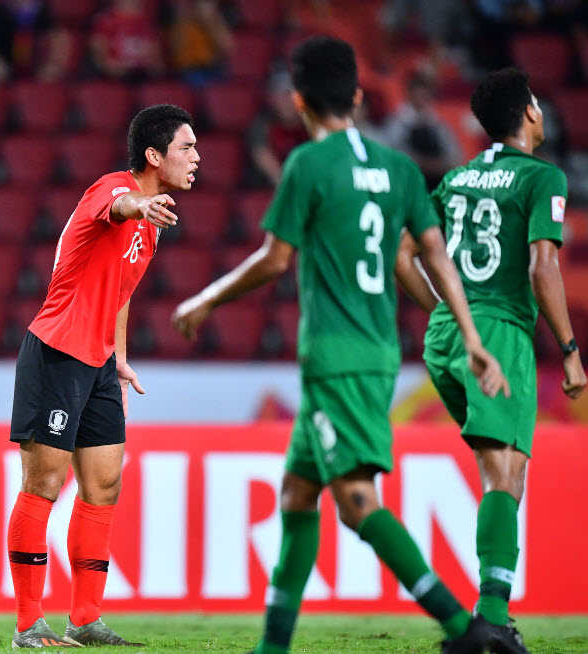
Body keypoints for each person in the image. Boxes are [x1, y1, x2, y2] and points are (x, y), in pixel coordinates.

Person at [171, 36, 509, 654]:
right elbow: (434, 254)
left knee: (356, 502)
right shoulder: (399, 168)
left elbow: (276, 258)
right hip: (377, 351)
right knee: (298, 495)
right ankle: (273, 647)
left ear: (299, 100)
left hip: (334, 356)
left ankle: (467, 631)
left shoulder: (308, 164)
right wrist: (470, 335)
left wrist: (207, 299)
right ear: (356, 96)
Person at [395, 67, 588, 653]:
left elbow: (402, 253)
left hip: (447, 339)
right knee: (504, 472)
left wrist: (444, 313)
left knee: (502, 469)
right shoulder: (542, 176)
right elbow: (542, 267)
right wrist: (570, 351)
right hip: (499, 333)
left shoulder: (456, 178)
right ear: (529, 113)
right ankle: (494, 620)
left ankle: (491, 612)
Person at [6, 103, 197, 648]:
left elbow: (120, 293)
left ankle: (86, 620)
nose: (196, 158)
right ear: (154, 156)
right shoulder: (113, 190)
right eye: (186, 148)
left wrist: (119, 357)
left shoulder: (152, 228)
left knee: (105, 484)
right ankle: (28, 624)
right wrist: (142, 204)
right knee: (44, 485)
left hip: (98, 363)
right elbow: (118, 207)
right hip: (57, 352)